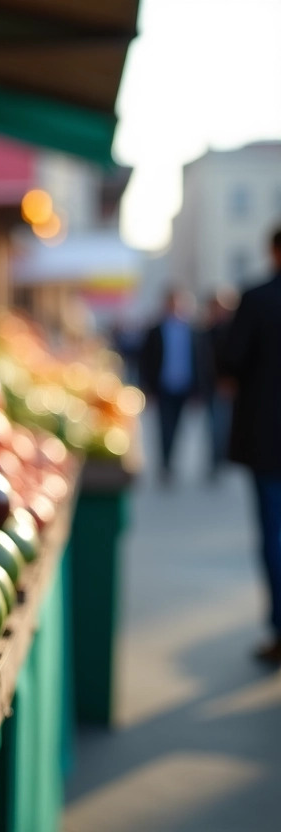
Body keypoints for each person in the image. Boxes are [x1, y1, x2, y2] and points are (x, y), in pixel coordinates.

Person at [218, 227, 281, 664]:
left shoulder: (258, 298)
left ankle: (279, 628)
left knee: (274, 536)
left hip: (268, 440)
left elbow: (231, 362)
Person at [139, 288, 201, 485]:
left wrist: (198, 389)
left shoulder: (192, 330)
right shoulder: (156, 330)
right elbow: (146, 360)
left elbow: (200, 360)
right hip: (163, 386)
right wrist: (147, 388)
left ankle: (172, 460)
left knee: (178, 427)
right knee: (165, 427)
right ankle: (165, 464)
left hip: (184, 385)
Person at [198, 287, 238, 482]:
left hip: (228, 388)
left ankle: (222, 460)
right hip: (212, 387)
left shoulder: (233, 330)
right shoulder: (204, 332)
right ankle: (216, 461)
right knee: (215, 427)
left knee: (224, 427)